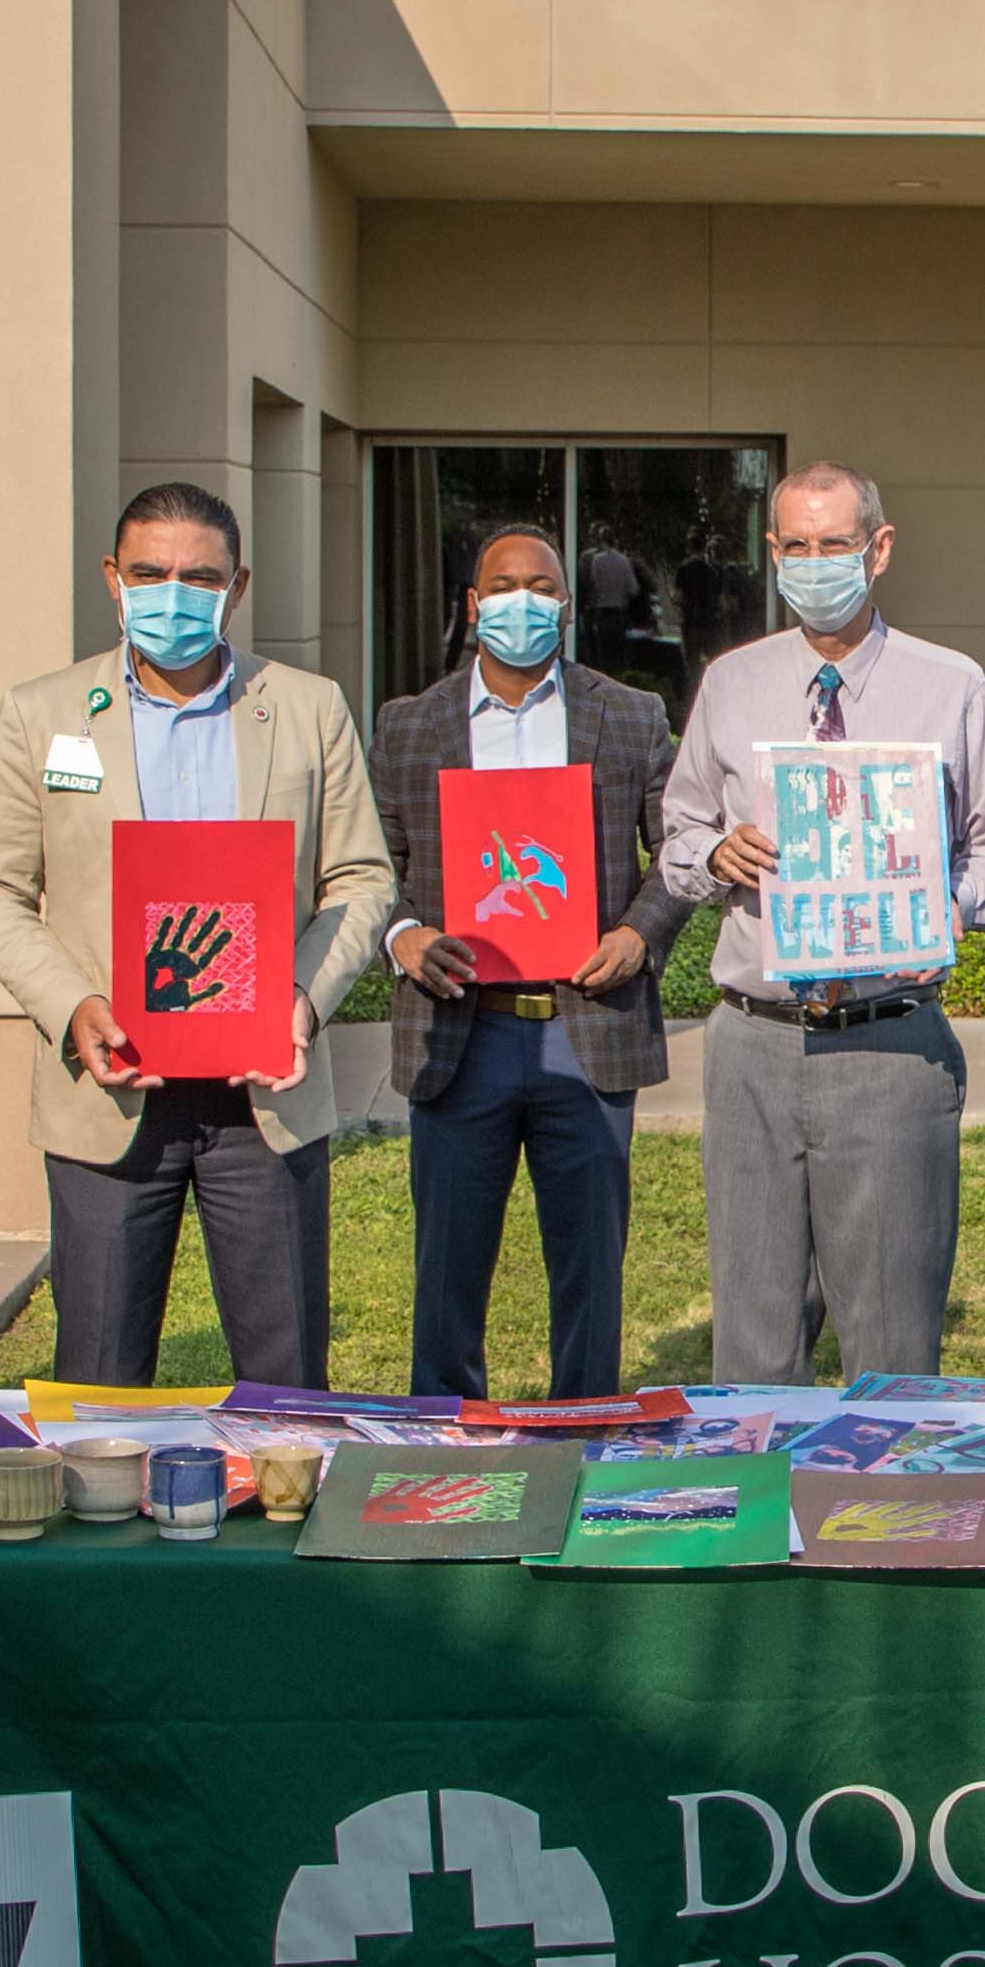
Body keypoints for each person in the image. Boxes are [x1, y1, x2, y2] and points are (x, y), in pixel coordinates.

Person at [0, 483, 397, 1384]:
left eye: (199, 576)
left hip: (262, 1094)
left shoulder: (307, 708)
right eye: (150, 572)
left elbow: (360, 878)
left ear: (236, 588)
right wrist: (71, 1004)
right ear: (113, 579)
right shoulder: (43, 713)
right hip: (112, 1088)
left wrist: (301, 1005)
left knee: (285, 1382)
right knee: (100, 1380)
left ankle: (282, 1519)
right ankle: (103, 1519)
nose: (173, 594)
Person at [655, 461, 985, 1381]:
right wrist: (715, 856)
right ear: (772, 553)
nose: (815, 563)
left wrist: (933, 909)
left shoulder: (950, 686)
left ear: (878, 550)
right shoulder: (731, 682)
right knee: (751, 1342)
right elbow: (678, 834)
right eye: (797, 546)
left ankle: (894, 1521)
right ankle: (763, 1518)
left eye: (835, 545)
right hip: (752, 1045)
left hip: (888, 1045)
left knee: (891, 1340)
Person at [375, 520, 695, 1398]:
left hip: (582, 1029)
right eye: (506, 588)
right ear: (475, 607)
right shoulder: (409, 727)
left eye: (544, 587)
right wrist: (405, 938)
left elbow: (678, 851)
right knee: (446, 1268)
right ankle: (445, 1435)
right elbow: (371, 868)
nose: (525, 602)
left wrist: (640, 934)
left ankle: (585, 1426)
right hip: (461, 1031)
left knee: (589, 1265)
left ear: (566, 605)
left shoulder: (627, 717)